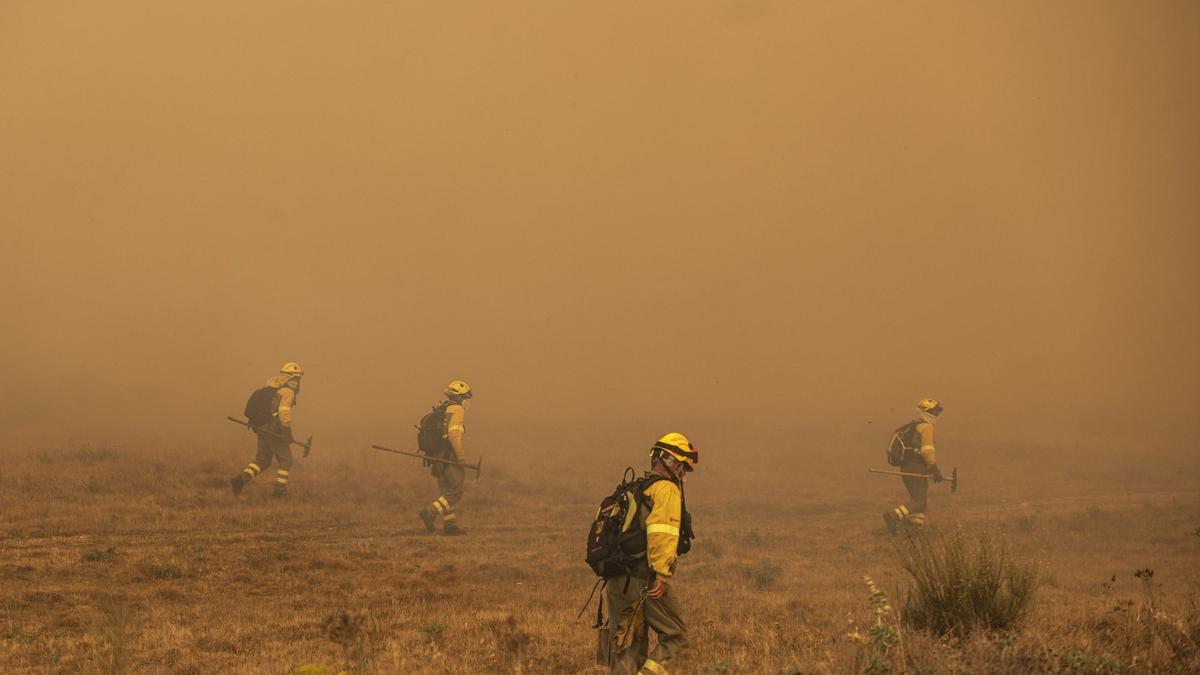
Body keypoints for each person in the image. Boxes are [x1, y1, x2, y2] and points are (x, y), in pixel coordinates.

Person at [606, 433, 698, 675]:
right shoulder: (665, 490)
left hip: (617, 580)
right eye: (682, 466)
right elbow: (662, 534)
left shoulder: (636, 488)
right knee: (676, 636)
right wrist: (661, 574)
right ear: (669, 461)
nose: (683, 473)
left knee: (627, 646)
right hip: (644, 579)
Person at [230, 362, 303, 498]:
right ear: (294, 378)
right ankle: (279, 492)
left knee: (262, 461)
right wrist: (287, 431)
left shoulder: (272, 387)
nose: (298, 382)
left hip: (261, 428)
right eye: (298, 379)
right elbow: (284, 412)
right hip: (273, 429)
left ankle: (239, 480)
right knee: (286, 460)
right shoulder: (288, 391)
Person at [416, 380, 472, 535]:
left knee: (446, 490)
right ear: (459, 397)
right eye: (466, 397)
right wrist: (460, 457)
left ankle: (450, 525)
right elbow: (454, 434)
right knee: (455, 492)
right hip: (449, 455)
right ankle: (430, 512)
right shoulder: (457, 410)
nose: (468, 402)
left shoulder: (444, 408)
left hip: (436, 456)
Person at [883, 398, 946, 532]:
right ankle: (893, 516)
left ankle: (913, 528)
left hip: (906, 466)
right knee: (919, 500)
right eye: (935, 412)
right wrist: (934, 468)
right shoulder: (926, 427)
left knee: (918, 497)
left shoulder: (910, 426)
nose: (937, 416)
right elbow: (927, 450)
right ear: (928, 413)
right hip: (916, 466)